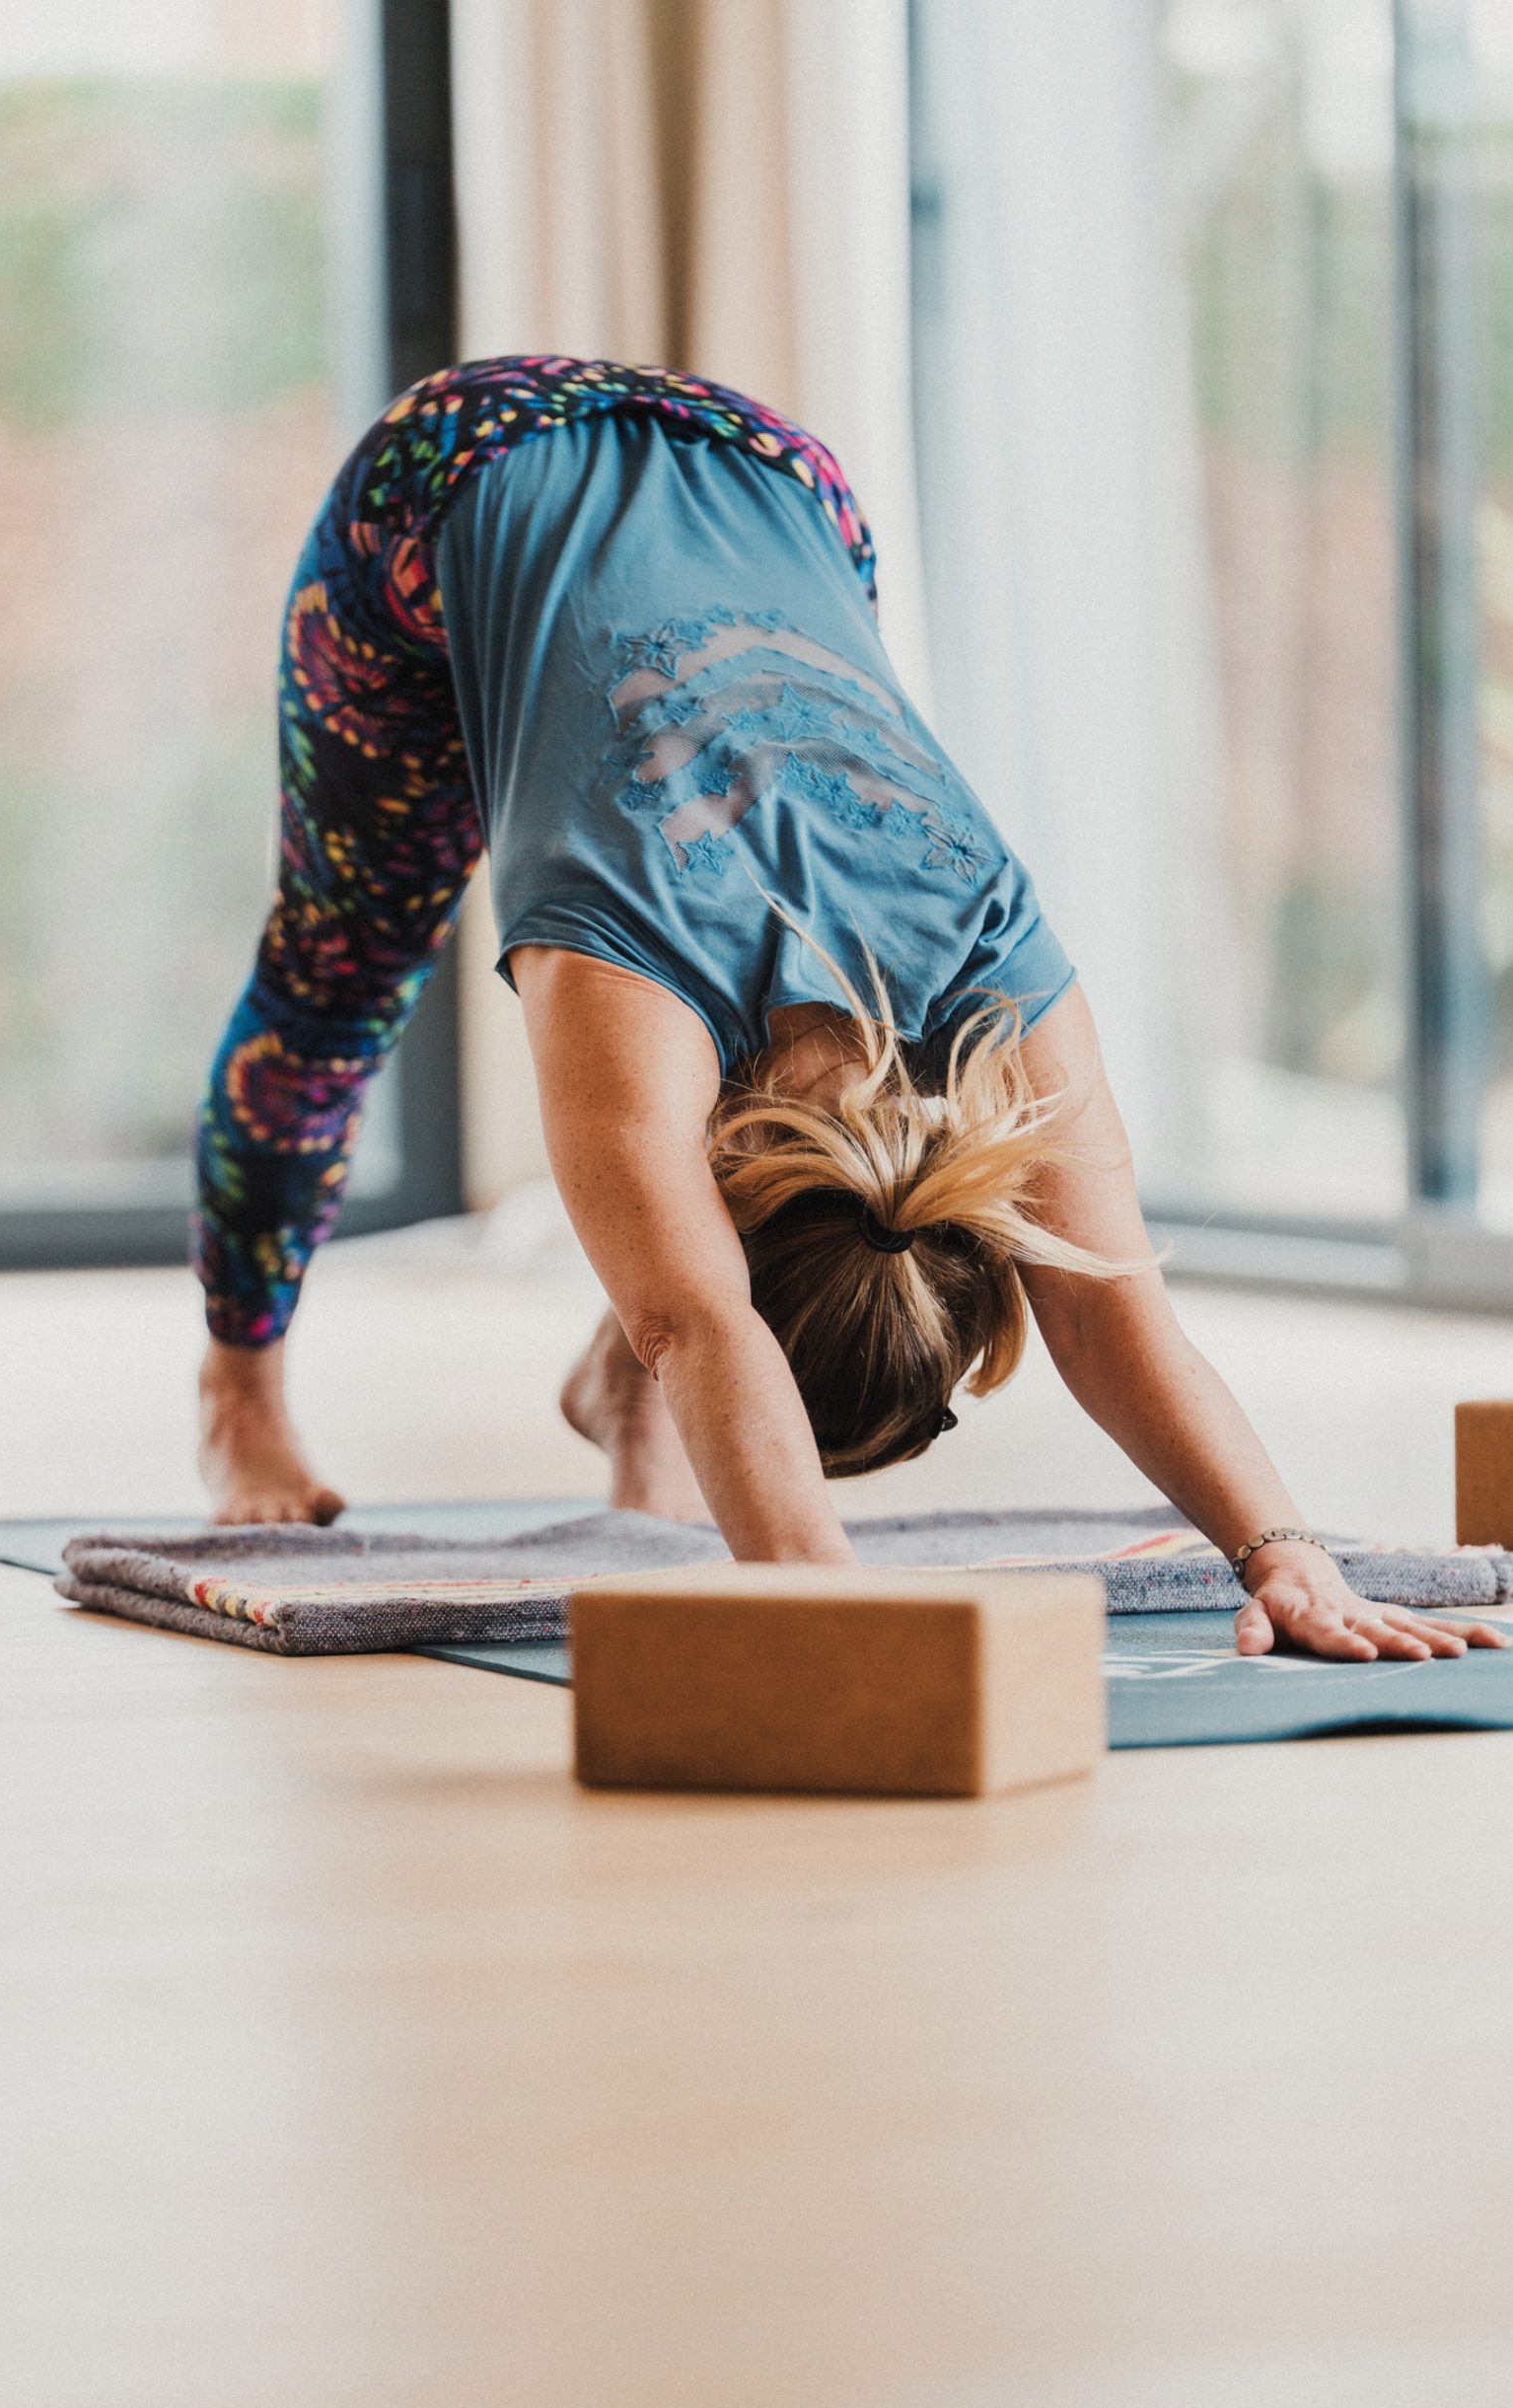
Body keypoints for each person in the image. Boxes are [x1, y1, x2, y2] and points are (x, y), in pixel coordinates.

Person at [194, 353, 1498, 1666]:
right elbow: (694, 1318)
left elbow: (1110, 1309)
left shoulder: (998, 973)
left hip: (784, 478)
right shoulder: (626, 976)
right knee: (338, 974)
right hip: (463, 466)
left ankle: (622, 1391)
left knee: (652, 1208)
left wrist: (1285, 1552)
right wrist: (828, 1598)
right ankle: (238, 1397)